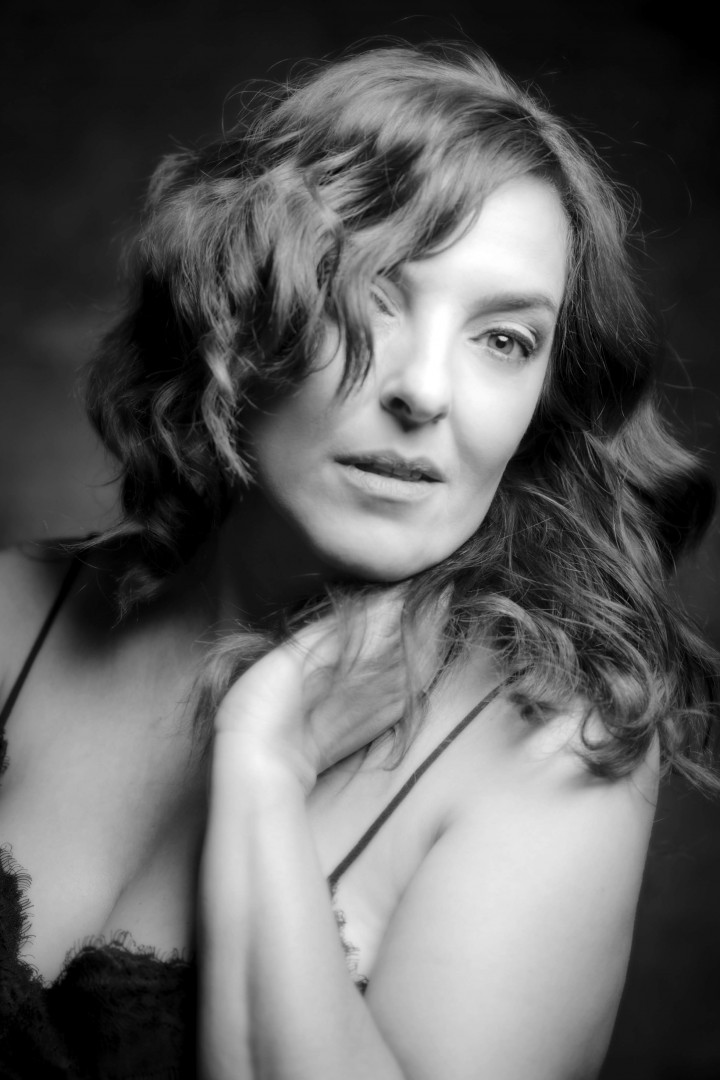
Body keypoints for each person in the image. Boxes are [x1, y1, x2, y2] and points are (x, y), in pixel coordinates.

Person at [0, 40, 716, 1080]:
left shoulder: (551, 753)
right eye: (372, 293)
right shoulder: (13, 615)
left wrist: (263, 767)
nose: (426, 391)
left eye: (505, 339)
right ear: (237, 310)